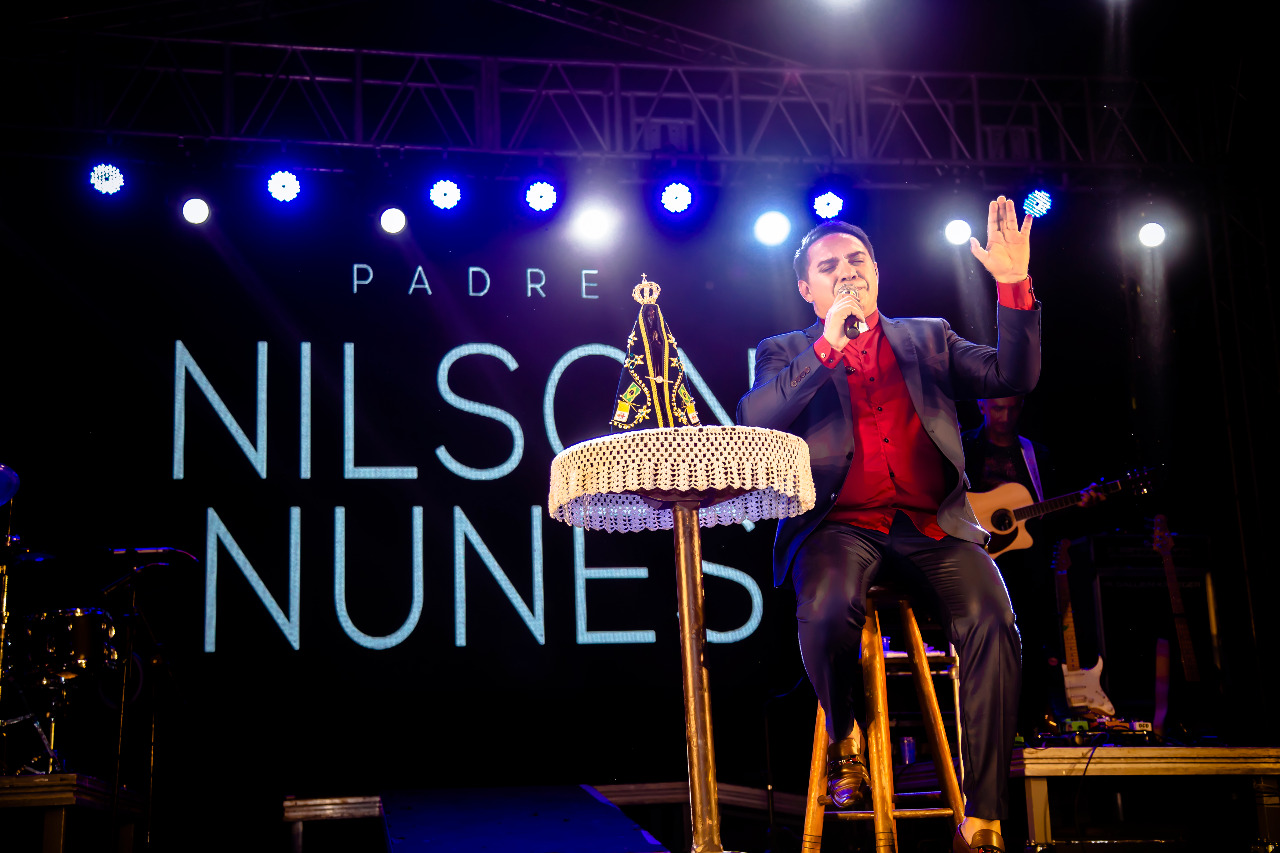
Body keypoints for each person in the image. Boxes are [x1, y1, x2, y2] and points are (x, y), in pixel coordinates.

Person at [736, 197, 1038, 853]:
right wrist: (829, 344)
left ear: (877, 270)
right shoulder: (785, 350)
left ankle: (982, 818)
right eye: (829, 266)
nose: (846, 273)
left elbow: (1014, 373)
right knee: (826, 607)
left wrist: (1013, 285)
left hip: (933, 526)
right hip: (838, 527)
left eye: (856, 260)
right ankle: (845, 732)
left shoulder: (928, 336)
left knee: (993, 619)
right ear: (805, 286)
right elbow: (755, 419)